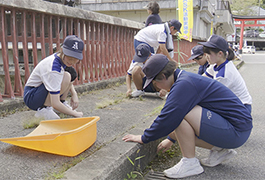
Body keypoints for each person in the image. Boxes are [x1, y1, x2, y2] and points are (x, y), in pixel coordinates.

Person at [122, 54, 252, 179]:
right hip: (238, 129)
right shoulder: (184, 78)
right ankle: (220, 150)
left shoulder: (184, 84)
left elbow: (167, 118)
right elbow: (176, 123)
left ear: (163, 75)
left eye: (155, 82)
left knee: (181, 113)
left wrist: (144, 138)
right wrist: (171, 138)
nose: (155, 87)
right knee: (178, 119)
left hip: (236, 131)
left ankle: (190, 163)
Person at [24, 35, 84, 120]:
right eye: (70, 57)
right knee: (66, 76)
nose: (72, 61)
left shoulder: (60, 58)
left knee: (69, 74)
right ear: (62, 50)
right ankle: (44, 109)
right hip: (32, 96)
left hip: (39, 91)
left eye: (75, 59)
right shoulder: (54, 68)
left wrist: (74, 94)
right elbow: (55, 103)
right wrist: (75, 114)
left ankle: (62, 103)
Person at [199, 35, 252, 112]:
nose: (206, 56)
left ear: (220, 54)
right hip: (231, 104)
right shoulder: (216, 64)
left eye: (208, 53)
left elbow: (211, 96)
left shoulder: (224, 75)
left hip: (240, 108)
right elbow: (202, 79)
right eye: (205, 53)